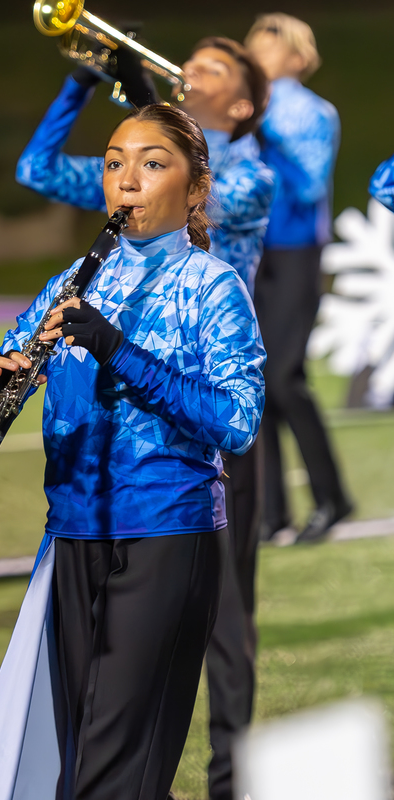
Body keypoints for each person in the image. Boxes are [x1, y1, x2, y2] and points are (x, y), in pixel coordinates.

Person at [0, 104, 266, 800]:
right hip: (73, 533)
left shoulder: (213, 286)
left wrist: (118, 350)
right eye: (115, 162)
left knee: (113, 772)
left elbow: (238, 422)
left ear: (195, 189)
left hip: (166, 533)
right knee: (78, 764)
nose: (127, 179)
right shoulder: (75, 279)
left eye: (152, 163)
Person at [245, 13, 353, 544]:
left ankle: (332, 498)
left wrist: (262, 129)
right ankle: (270, 513)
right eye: (254, 46)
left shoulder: (314, 110)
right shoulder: (244, 107)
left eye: (270, 46)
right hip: (253, 252)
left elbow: (309, 185)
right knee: (255, 377)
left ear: (296, 55)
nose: (258, 54)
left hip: (297, 251)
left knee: (285, 376)